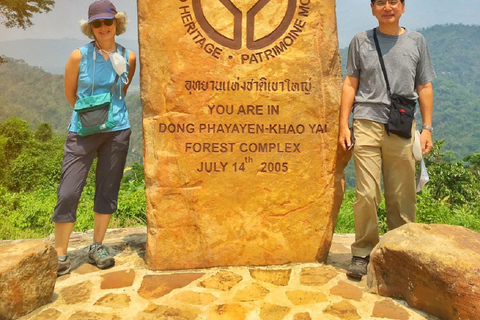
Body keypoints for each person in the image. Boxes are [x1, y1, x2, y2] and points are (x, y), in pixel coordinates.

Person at [338, 0, 436, 279]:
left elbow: (425, 86)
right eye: (380, 2)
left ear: (403, 7)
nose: (387, 7)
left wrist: (427, 128)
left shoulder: (417, 41)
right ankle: (362, 252)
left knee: (401, 196)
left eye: (393, 1)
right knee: (367, 193)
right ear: (372, 8)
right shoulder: (361, 41)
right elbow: (350, 83)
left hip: (402, 126)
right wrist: (344, 124)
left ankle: (400, 251)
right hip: (366, 123)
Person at [52, 0, 136, 276]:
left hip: (117, 130)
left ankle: (97, 246)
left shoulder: (128, 56)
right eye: (97, 23)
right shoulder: (79, 56)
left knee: (107, 188)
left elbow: (121, 91)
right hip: (83, 131)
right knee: (69, 191)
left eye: (107, 22)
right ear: (90, 27)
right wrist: (90, 115)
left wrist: (108, 115)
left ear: (117, 23)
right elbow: (70, 93)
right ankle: (60, 254)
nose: (103, 27)